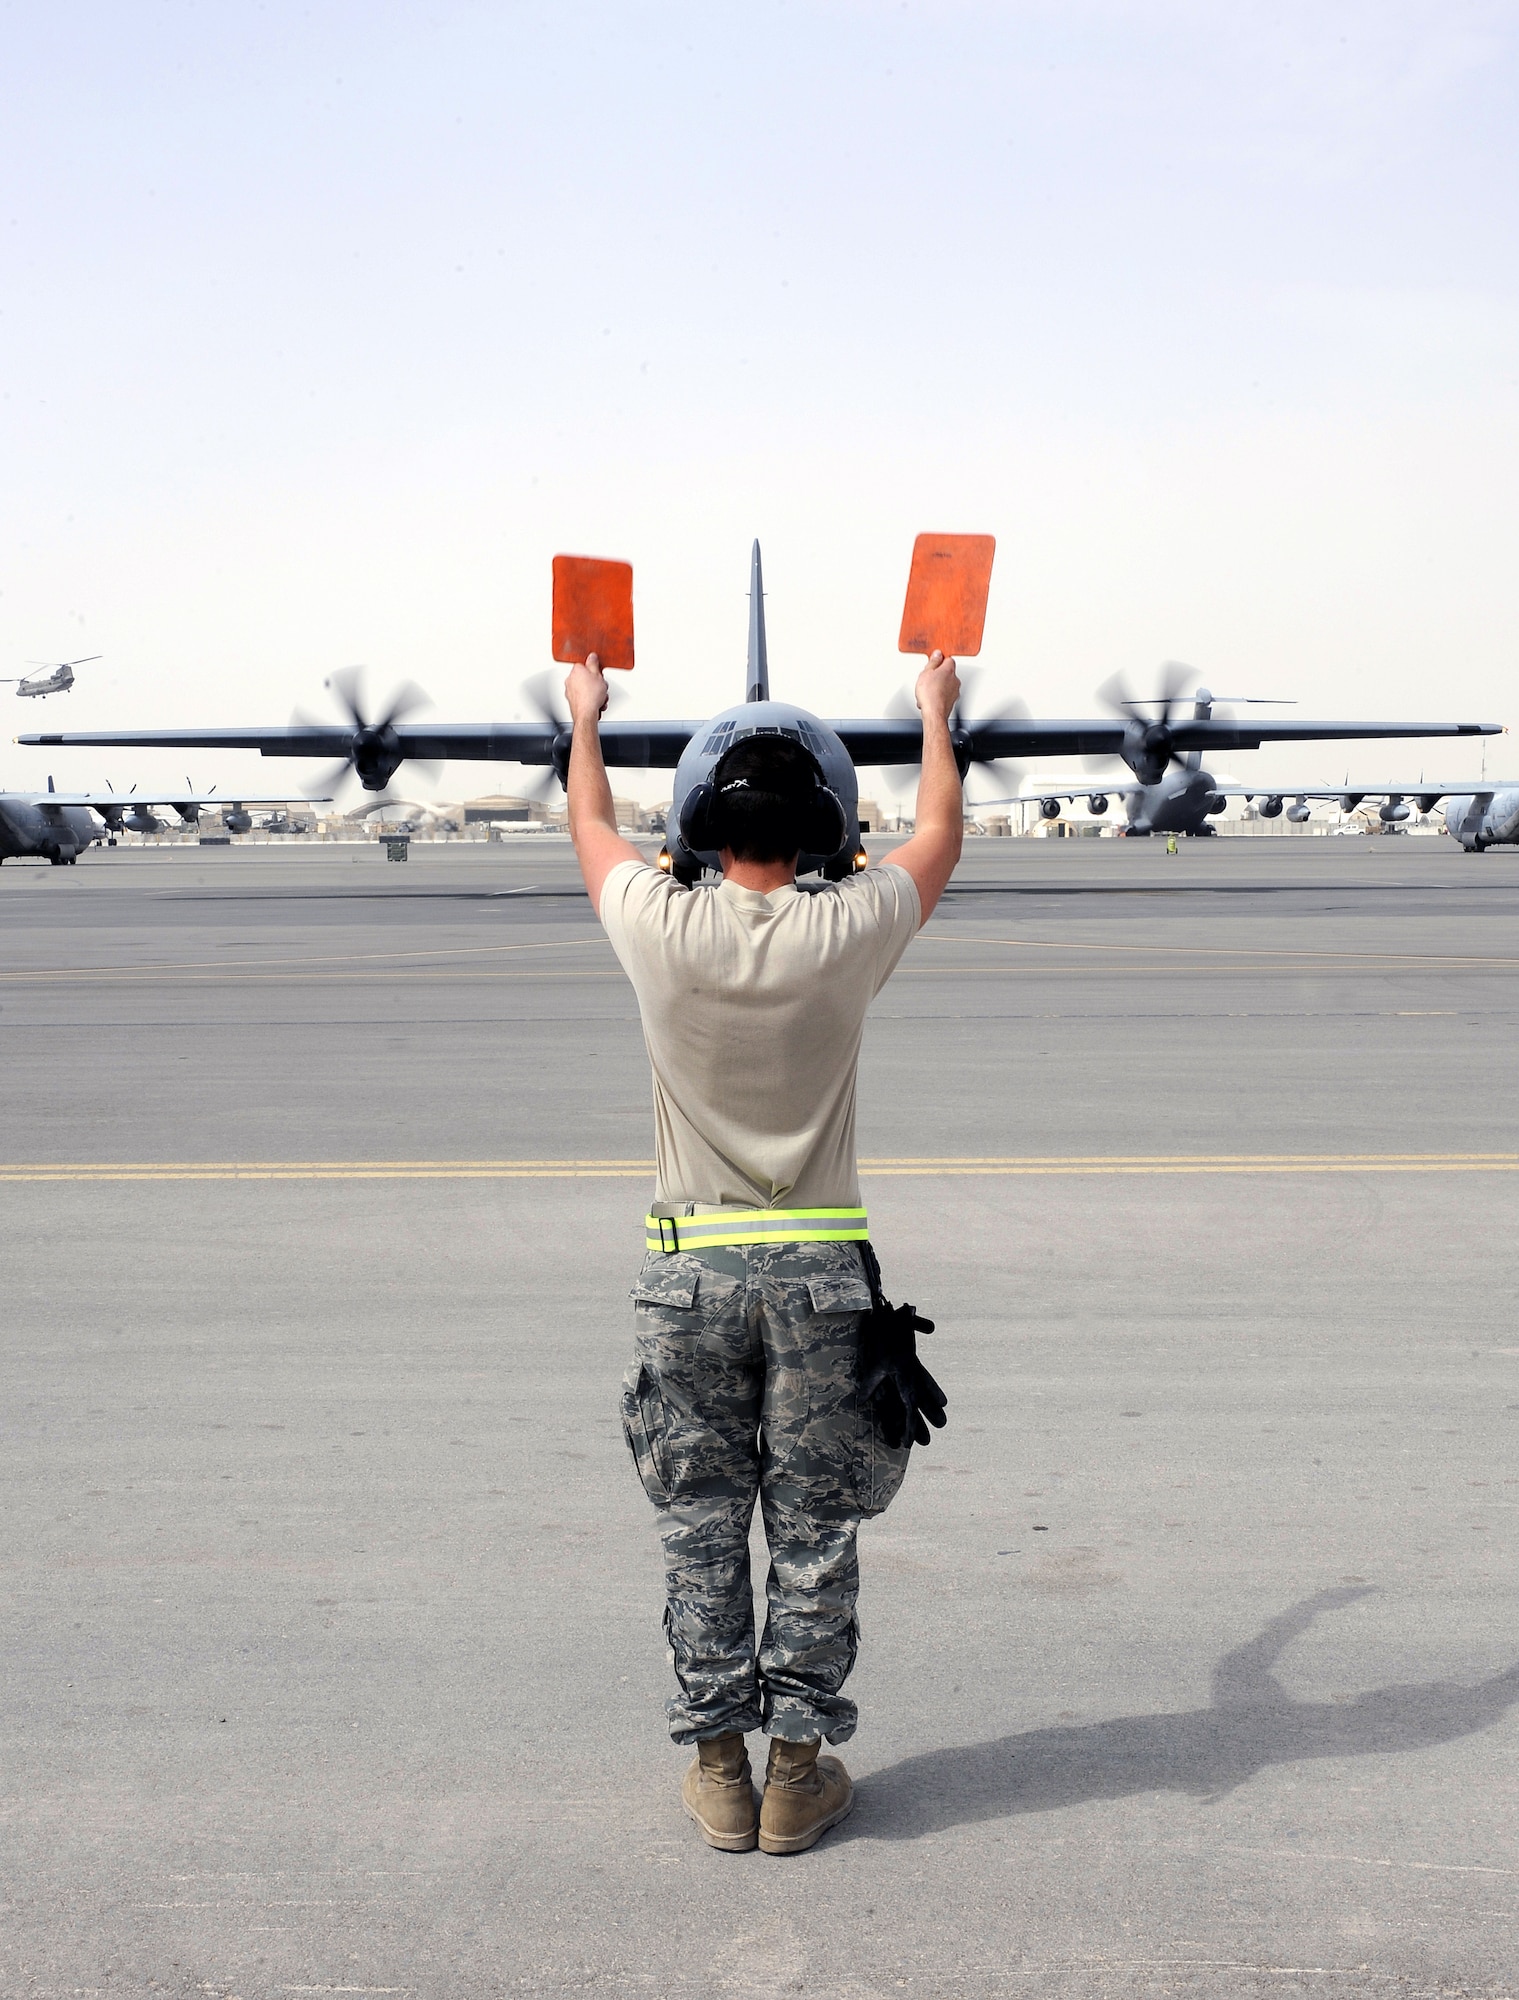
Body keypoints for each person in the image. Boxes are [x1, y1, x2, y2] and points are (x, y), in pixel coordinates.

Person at [566, 648, 964, 1855]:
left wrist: (584, 718)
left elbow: (586, 821)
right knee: (814, 1523)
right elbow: (942, 829)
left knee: (698, 1522)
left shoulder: (653, 921)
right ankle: (798, 1769)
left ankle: (718, 1768)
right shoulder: (848, 929)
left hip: (689, 1270)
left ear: (697, 824)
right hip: (823, 1273)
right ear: (823, 828)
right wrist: (935, 716)